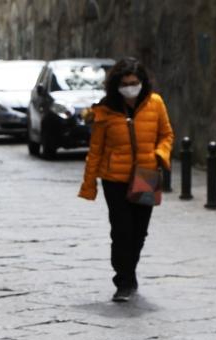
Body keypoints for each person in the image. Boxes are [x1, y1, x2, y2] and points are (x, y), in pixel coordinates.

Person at [78, 58, 174, 302]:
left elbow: (166, 134)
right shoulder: (105, 111)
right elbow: (95, 151)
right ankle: (123, 281)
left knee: (139, 232)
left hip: (146, 175)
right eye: (125, 84)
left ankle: (129, 274)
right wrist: (89, 184)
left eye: (134, 83)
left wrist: (159, 155)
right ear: (116, 85)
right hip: (114, 180)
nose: (130, 87)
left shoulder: (155, 103)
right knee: (121, 231)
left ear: (142, 82)